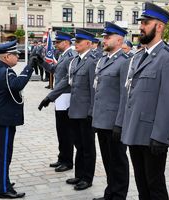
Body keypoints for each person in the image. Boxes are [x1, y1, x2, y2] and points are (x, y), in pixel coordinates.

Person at [122, 2, 169, 200]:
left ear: (159, 27)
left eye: (146, 23)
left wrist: (160, 136)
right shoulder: (140, 56)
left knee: (155, 186)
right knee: (142, 185)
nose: (141, 26)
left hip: (152, 137)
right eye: (141, 22)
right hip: (135, 132)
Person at [38, 29, 98, 191]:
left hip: (86, 112)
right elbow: (66, 81)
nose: (75, 44)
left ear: (88, 44)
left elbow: (94, 89)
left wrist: (92, 112)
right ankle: (79, 174)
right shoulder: (75, 61)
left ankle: (87, 177)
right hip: (75, 109)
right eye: (75, 41)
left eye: (79, 42)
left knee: (87, 147)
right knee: (79, 144)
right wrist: (49, 97)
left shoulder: (93, 61)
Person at [0, 40, 37, 198]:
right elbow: (17, 85)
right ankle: (3, 188)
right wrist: (29, 67)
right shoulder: (6, 71)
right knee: (4, 153)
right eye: (16, 55)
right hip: (4, 118)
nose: (18, 57)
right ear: (7, 56)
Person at [92, 22, 130, 200]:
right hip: (102, 120)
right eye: (104, 37)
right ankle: (110, 193)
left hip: (115, 122)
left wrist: (120, 123)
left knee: (118, 162)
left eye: (107, 37)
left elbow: (125, 96)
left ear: (119, 39)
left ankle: (119, 195)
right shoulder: (104, 60)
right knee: (108, 160)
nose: (103, 40)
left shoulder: (124, 62)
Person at [37, 31, 77, 172]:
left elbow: (66, 79)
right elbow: (55, 70)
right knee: (61, 130)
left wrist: (50, 96)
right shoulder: (64, 55)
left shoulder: (71, 56)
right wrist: (41, 62)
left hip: (65, 97)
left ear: (66, 42)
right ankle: (62, 157)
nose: (55, 44)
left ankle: (67, 161)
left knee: (66, 132)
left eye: (58, 42)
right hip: (60, 97)